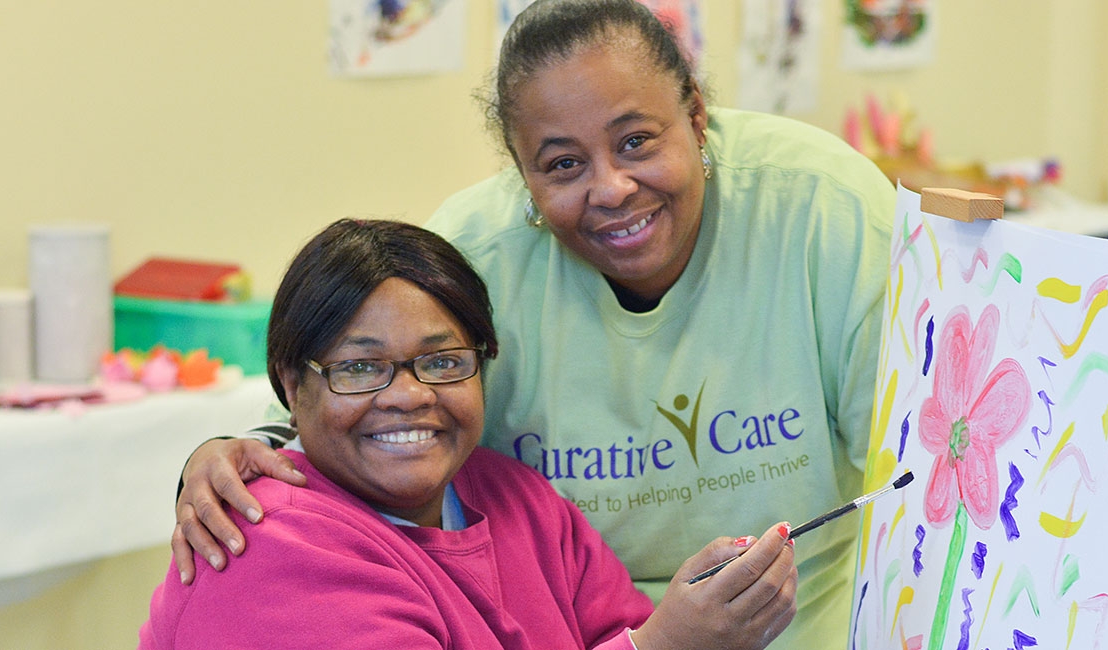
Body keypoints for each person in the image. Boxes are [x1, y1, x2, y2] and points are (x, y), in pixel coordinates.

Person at [172, 0, 897, 646]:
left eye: (638, 141)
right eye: (562, 165)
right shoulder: (477, 253)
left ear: (698, 116)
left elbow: (921, 474)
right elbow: (327, 411)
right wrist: (228, 453)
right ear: (522, 176)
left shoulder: (823, 211)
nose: (612, 188)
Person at [141, 219, 797, 649]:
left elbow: (617, 627)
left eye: (443, 361)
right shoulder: (261, 540)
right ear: (291, 380)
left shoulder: (519, 502)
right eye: (361, 367)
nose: (409, 395)